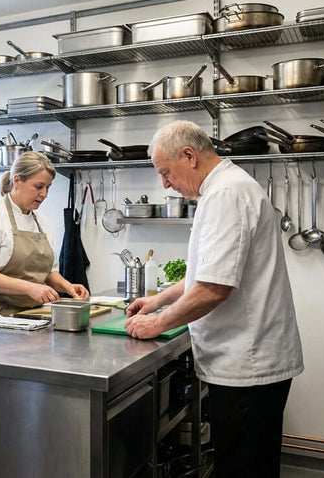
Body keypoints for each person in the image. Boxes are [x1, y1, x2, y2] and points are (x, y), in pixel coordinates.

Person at [125, 120, 303, 478]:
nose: (165, 184)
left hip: (248, 365)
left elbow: (214, 289)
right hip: (247, 363)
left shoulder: (226, 194)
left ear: (188, 156)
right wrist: (158, 300)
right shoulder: (223, 188)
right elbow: (202, 272)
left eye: (165, 172)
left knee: (243, 469)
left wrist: (155, 324)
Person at [0, 151, 89, 326]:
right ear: (17, 181)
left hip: (28, 317)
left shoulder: (41, 222)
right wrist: (29, 287)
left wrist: (67, 286)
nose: (44, 194)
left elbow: (49, 272)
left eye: (48, 188)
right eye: (38, 186)